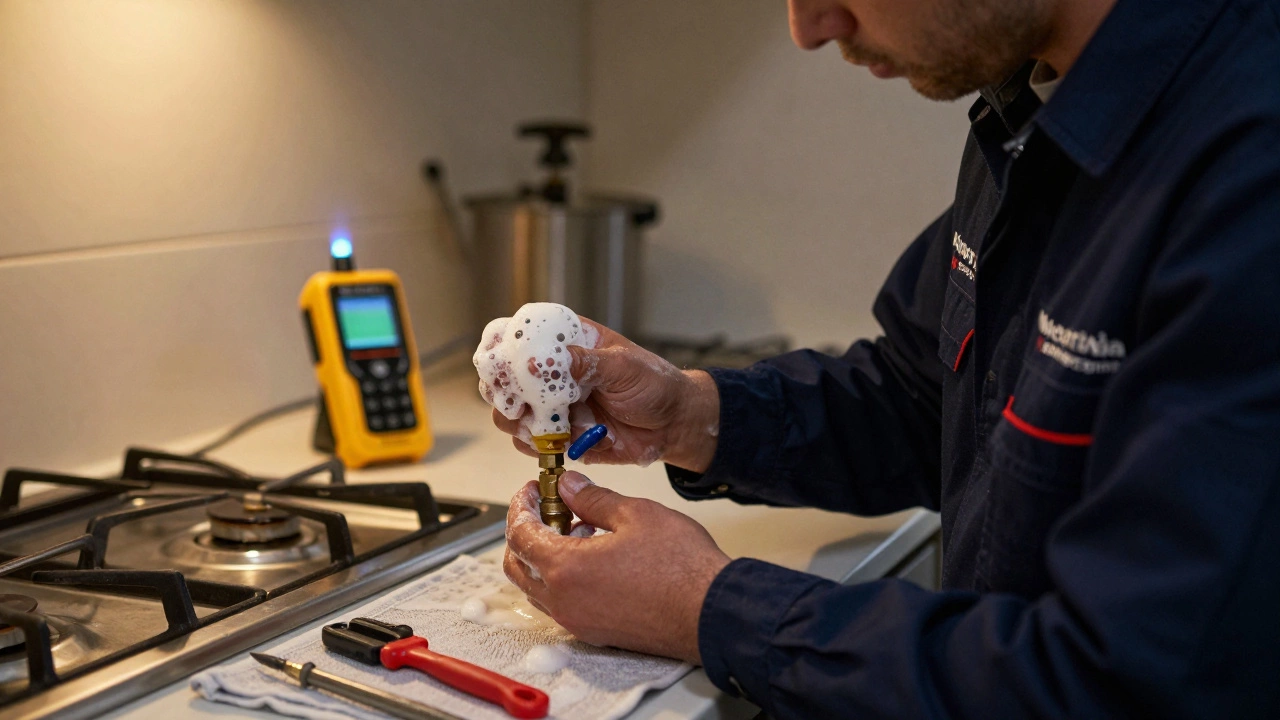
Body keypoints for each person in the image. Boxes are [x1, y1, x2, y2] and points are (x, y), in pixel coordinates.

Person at [499, 0, 1280, 717]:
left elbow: (1111, 684)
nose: (810, 26)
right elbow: (927, 396)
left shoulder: (1246, 170)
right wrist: (690, 413)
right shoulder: (1031, 107)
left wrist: (705, 607)